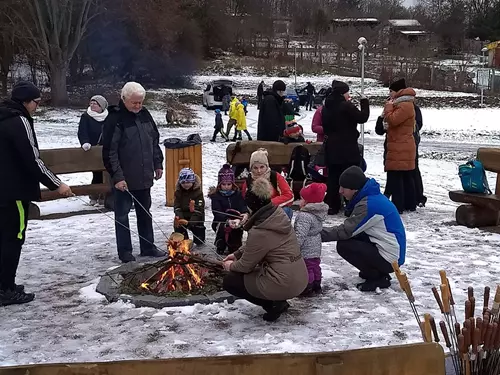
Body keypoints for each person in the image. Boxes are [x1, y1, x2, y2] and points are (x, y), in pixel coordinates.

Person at [0, 81, 73, 306]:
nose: (37, 107)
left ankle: (5, 284)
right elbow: (32, 159)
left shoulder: (3, 117)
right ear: (26, 101)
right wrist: (57, 185)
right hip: (13, 193)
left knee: (3, 239)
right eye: (37, 102)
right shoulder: (18, 121)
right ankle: (6, 289)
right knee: (13, 239)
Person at [222, 178, 308, 322]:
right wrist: (236, 254)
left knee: (231, 281)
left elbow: (245, 266)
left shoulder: (260, 231)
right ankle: (278, 301)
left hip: (283, 283)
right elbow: (260, 245)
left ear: (251, 206)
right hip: (299, 277)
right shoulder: (278, 216)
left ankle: (274, 304)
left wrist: (230, 265)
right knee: (253, 272)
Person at [102, 81, 165, 263]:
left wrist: (158, 163)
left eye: (140, 102)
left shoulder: (145, 115)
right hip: (124, 178)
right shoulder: (115, 119)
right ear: (124, 99)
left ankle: (148, 246)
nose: (138, 106)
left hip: (144, 175)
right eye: (134, 102)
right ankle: (125, 251)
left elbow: (154, 141)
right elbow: (109, 152)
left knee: (145, 212)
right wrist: (118, 177)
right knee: (122, 215)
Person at [321, 166, 406, 292]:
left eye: (344, 188)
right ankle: (376, 271)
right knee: (355, 237)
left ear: (355, 189)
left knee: (344, 245)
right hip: (391, 252)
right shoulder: (371, 197)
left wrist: (316, 233)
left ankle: (378, 278)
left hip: (391, 259)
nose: (340, 191)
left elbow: (346, 231)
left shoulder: (369, 204)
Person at [322, 80, 369, 215]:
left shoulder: (327, 106)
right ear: (343, 92)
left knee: (333, 178)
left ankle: (332, 205)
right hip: (347, 148)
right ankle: (350, 206)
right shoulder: (345, 106)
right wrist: (364, 102)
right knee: (350, 178)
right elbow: (362, 117)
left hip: (332, 148)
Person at [381, 78, 417, 213]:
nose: (389, 94)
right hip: (402, 145)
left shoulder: (404, 105)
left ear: (398, 92)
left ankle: (399, 206)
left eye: (391, 91)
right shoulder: (404, 104)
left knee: (397, 177)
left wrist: (388, 108)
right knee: (405, 176)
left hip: (400, 145)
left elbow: (393, 120)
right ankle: (409, 204)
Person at [294, 183, 328, 296]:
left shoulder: (304, 216)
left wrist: (294, 247)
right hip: (315, 246)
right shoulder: (318, 213)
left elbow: (300, 234)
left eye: (301, 199)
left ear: (307, 202)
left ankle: (307, 287)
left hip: (306, 248)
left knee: (306, 268)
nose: (299, 201)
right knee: (314, 266)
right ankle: (317, 284)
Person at [241, 148, 294, 219]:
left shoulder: (275, 176)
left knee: (286, 211)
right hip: (257, 212)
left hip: (275, 209)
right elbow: (244, 201)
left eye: (262, 167)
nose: (259, 171)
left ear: (267, 166)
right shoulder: (249, 181)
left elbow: (289, 195)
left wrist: (269, 204)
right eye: (255, 168)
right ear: (251, 168)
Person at [209, 164, 248, 255]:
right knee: (222, 229)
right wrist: (227, 220)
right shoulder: (216, 196)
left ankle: (234, 246)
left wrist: (244, 213)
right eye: (223, 184)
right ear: (219, 184)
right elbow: (216, 211)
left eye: (229, 184)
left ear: (233, 184)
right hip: (221, 220)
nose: (226, 186)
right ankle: (220, 245)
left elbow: (242, 205)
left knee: (236, 233)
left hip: (236, 219)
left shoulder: (237, 194)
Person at [77, 95, 109, 205]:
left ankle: (104, 195)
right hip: (92, 149)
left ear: (102, 106)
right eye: (91, 103)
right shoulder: (86, 116)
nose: (92, 105)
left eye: (95, 103)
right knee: (97, 173)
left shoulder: (108, 116)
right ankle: (94, 195)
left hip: (106, 149)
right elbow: (82, 131)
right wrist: (85, 142)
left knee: (107, 173)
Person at [173, 168, 206, 246]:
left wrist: (192, 221)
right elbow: (177, 206)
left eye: (188, 182)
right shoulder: (178, 192)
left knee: (198, 235)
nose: (186, 184)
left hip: (196, 215)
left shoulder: (198, 192)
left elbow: (199, 207)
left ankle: (199, 238)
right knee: (178, 224)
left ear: (193, 181)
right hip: (183, 214)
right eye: (183, 182)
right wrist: (180, 218)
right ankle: (183, 239)